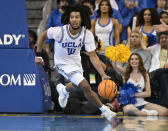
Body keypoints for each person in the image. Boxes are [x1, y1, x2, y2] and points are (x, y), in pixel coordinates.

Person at [35, 4, 116, 120]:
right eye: (72, 17)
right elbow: (43, 35)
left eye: (77, 17)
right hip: (62, 63)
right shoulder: (59, 31)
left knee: (76, 85)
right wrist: (38, 56)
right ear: (68, 18)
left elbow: (93, 57)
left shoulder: (86, 34)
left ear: (82, 18)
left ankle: (63, 90)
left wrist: (103, 74)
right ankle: (105, 110)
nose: (74, 20)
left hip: (76, 63)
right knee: (85, 85)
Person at [147, 31, 168, 108]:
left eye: (166, 38)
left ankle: (165, 105)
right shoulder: (155, 48)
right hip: (154, 77)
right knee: (161, 73)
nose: (164, 39)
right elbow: (144, 47)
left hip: (164, 75)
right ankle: (165, 105)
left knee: (163, 76)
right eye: (162, 38)